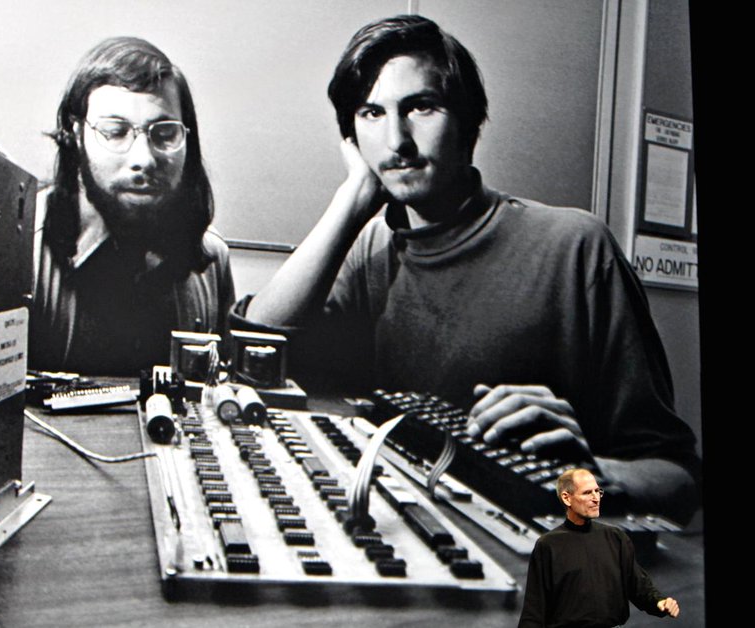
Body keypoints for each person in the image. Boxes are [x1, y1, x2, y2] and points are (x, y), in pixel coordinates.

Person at [235, 15, 699, 522]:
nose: (397, 140)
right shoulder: (372, 248)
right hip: (411, 535)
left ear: (468, 124)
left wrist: (591, 476)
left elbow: (678, 482)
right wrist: (351, 200)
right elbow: (255, 352)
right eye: (371, 113)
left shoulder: (577, 248)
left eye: (421, 107)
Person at [30, 36, 234, 375]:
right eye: (115, 132)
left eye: (165, 134)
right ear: (76, 135)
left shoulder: (211, 259)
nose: (144, 159)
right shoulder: (21, 253)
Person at [518, 469, 680, 626]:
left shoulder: (616, 538)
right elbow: (534, 609)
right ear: (567, 498)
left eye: (598, 492)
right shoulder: (548, 545)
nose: (596, 498)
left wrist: (659, 602)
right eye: (587, 493)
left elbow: (638, 585)